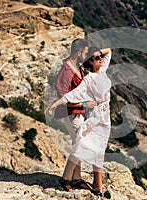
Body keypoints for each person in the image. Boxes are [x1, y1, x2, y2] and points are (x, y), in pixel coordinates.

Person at [46, 47, 112, 195]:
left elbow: (109, 52)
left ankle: (96, 184)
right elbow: (73, 94)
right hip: (95, 117)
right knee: (82, 144)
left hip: (105, 118)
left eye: (100, 57)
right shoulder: (88, 78)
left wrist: (96, 53)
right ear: (90, 61)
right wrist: (56, 103)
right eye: (96, 58)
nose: (100, 59)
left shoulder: (102, 70)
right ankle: (68, 179)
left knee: (100, 150)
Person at [55, 38, 97, 192]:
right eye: (85, 53)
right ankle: (66, 178)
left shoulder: (77, 68)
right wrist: (85, 104)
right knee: (80, 144)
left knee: (78, 142)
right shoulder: (67, 72)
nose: (86, 56)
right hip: (72, 114)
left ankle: (76, 178)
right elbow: (64, 99)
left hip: (79, 113)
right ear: (78, 53)